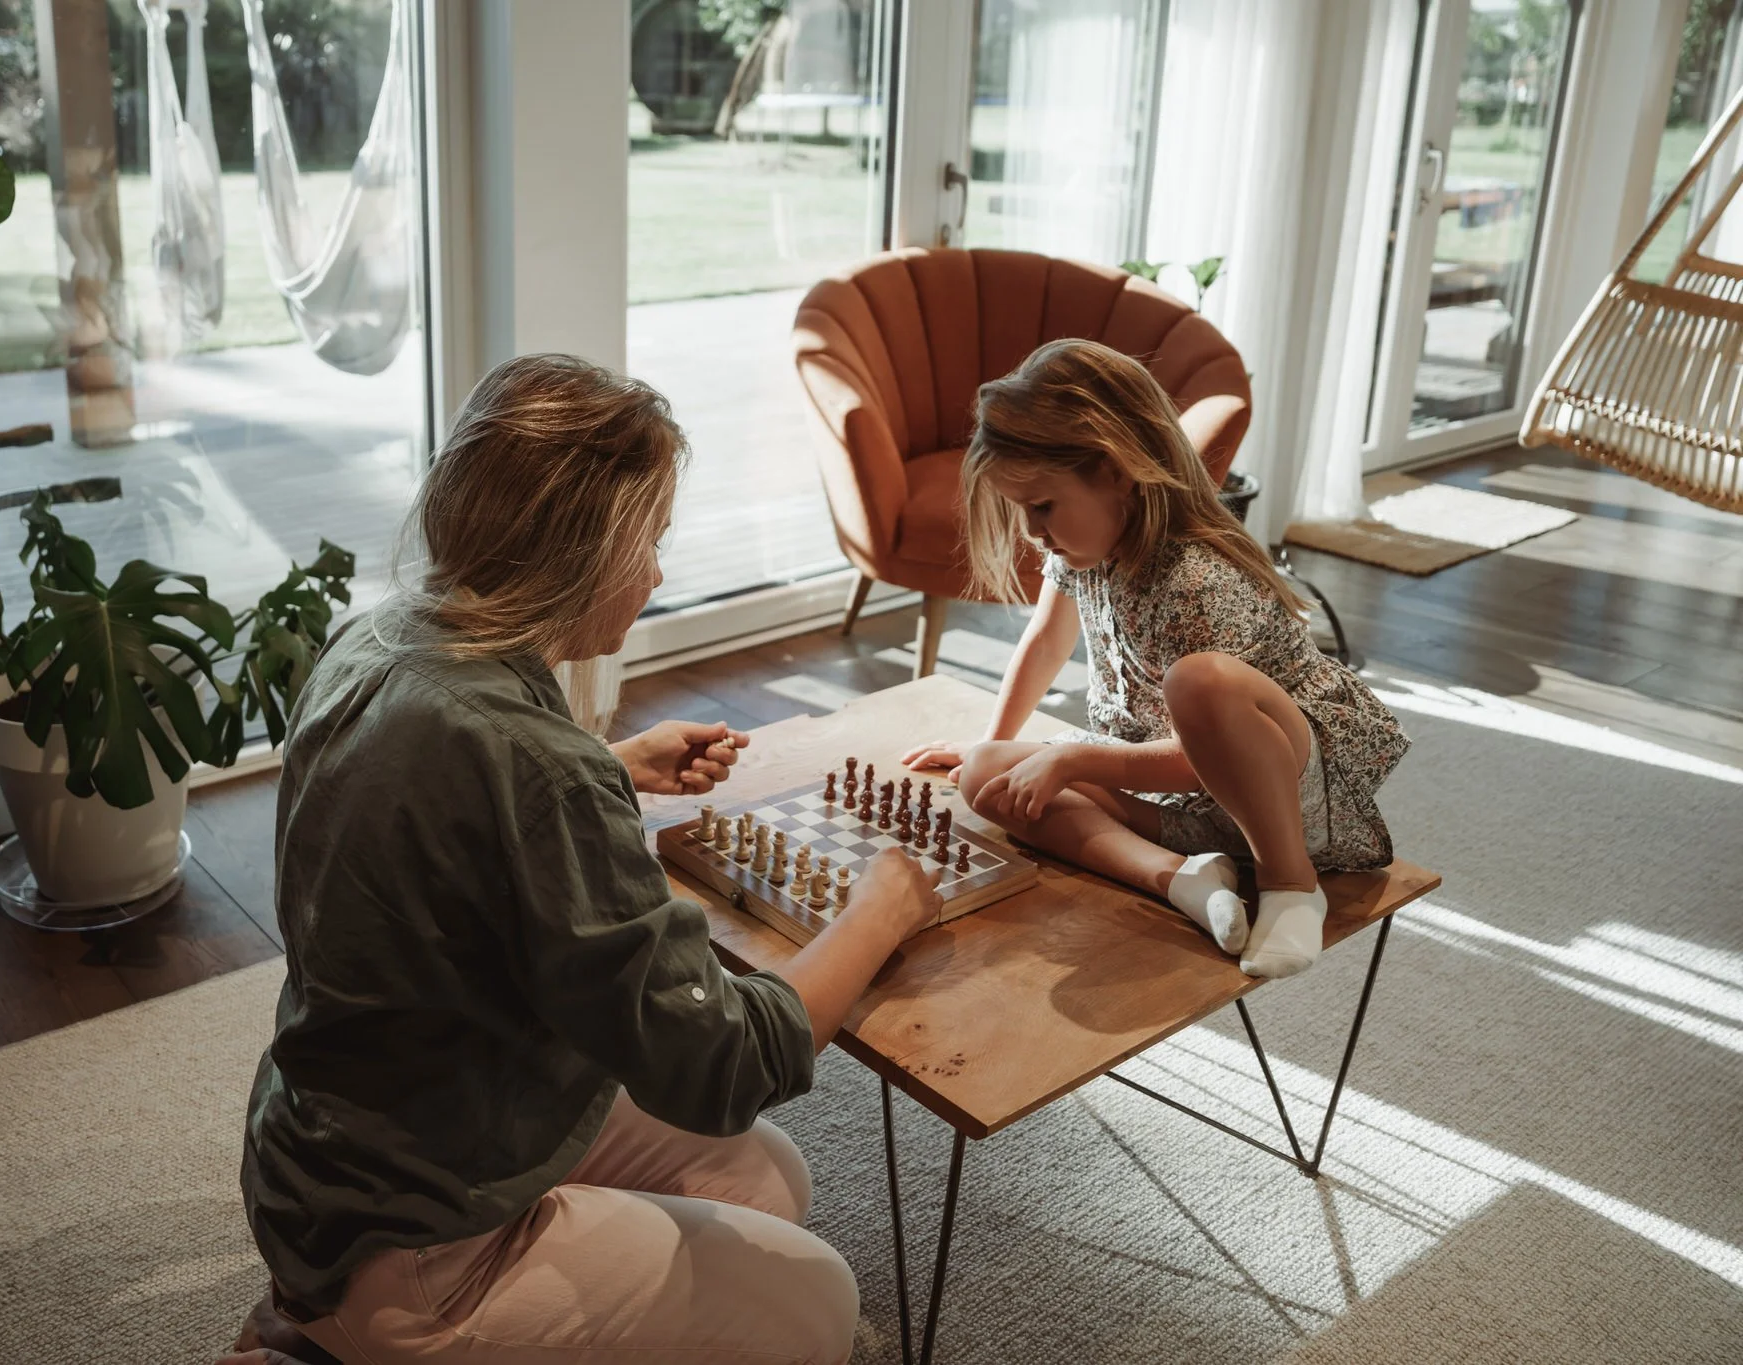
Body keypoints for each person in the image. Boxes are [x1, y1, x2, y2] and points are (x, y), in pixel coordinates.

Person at [237, 353, 942, 1365]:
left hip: (327, 1158)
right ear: (582, 554)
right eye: (647, 542)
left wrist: (613, 769)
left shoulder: (379, 639)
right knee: (822, 1305)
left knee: (764, 1183)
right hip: (420, 1241)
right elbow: (721, 1065)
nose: (656, 572)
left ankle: (341, 1325)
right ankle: (346, 1343)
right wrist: (878, 910)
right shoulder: (536, 767)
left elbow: (438, 806)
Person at [902, 339, 1408, 979]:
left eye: (1043, 506)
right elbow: (1045, 644)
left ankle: (1289, 883)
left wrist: (1074, 757)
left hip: (1283, 802)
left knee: (1199, 683)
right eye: (1020, 510)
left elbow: (1208, 761)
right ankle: (1184, 881)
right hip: (1175, 803)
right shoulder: (1083, 551)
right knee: (987, 776)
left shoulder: (1197, 581)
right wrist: (992, 740)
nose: (1032, 532)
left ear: (1114, 471)